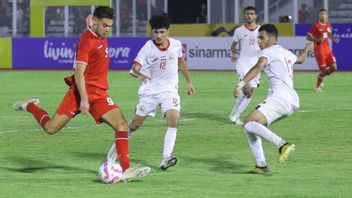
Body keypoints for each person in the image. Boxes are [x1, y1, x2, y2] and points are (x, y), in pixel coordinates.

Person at [13, 6, 150, 182]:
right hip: (79, 94)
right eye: (105, 26)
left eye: (109, 26)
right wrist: (84, 99)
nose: (107, 30)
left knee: (122, 125)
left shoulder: (97, 33)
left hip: (99, 94)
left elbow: (93, 30)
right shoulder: (86, 42)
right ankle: (30, 106)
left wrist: (91, 24)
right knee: (51, 129)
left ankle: (126, 169)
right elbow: (79, 73)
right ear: (96, 22)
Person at [107, 14, 195, 171]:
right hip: (150, 91)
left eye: (162, 32)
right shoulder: (148, 47)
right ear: (152, 32)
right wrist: (140, 74)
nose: (159, 35)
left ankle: (166, 158)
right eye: (156, 32)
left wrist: (189, 82)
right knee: (134, 125)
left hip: (169, 91)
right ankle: (113, 154)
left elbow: (181, 62)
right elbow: (135, 67)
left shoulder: (176, 45)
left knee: (173, 119)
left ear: (168, 31)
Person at [234, 24, 313, 174]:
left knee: (248, 123)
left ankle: (282, 145)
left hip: (280, 97)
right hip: (291, 101)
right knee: (251, 127)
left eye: (261, 37)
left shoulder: (268, 52)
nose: (258, 41)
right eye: (258, 38)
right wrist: (308, 48)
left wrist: (241, 84)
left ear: (272, 38)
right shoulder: (286, 53)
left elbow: (258, 67)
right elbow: (301, 59)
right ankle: (261, 165)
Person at [229, 6, 261, 125]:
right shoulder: (239, 30)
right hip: (243, 62)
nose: (249, 16)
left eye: (252, 13)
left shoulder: (261, 30)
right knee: (246, 88)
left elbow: (266, 45)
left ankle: (235, 114)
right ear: (244, 15)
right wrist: (234, 53)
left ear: (256, 16)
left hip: (256, 64)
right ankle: (234, 115)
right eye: (247, 13)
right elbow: (233, 45)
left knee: (250, 92)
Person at [307, 9, 339, 92]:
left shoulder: (328, 24)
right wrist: (316, 40)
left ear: (326, 15)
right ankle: (317, 87)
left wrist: (333, 38)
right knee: (323, 70)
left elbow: (328, 34)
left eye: (324, 14)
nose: (323, 15)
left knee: (334, 67)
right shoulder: (316, 25)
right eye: (321, 14)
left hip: (328, 50)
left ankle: (321, 76)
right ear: (319, 15)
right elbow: (308, 37)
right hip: (320, 51)